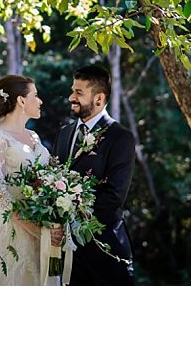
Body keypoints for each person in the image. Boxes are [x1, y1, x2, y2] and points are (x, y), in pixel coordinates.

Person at [0, 74, 62, 286]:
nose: (40, 101)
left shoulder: (34, 137)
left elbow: (49, 177)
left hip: (45, 227)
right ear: (21, 101)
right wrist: (32, 227)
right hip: (17, 231)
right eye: (36, 95)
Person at [56, 64, 135, 285]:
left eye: (79, 92)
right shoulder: (63, 135)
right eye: (73, 90)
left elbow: (114, 196)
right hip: (65, 257)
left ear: (99, 99)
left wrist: (70, 224)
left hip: (105, 252)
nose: (72, 97)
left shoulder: (120, 137)